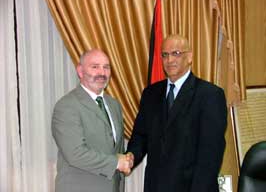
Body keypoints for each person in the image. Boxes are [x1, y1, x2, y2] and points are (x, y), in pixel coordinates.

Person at [126, 34, 228, 192]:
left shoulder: (210, 95)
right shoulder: (151, 93)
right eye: (165, 55)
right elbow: (140, 136)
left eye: (176, 54)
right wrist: (131, 156)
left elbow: (210, 156)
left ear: (189, 57)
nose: (170, 60)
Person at [52, 49, 132, 192]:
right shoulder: (66, 106)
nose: (102, 73)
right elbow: (75, 153)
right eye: (95, 67)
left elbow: (115, 148)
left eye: (106, 67)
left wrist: (126, 158)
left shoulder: (114, 104)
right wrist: (117, 163)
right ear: (80, 71)